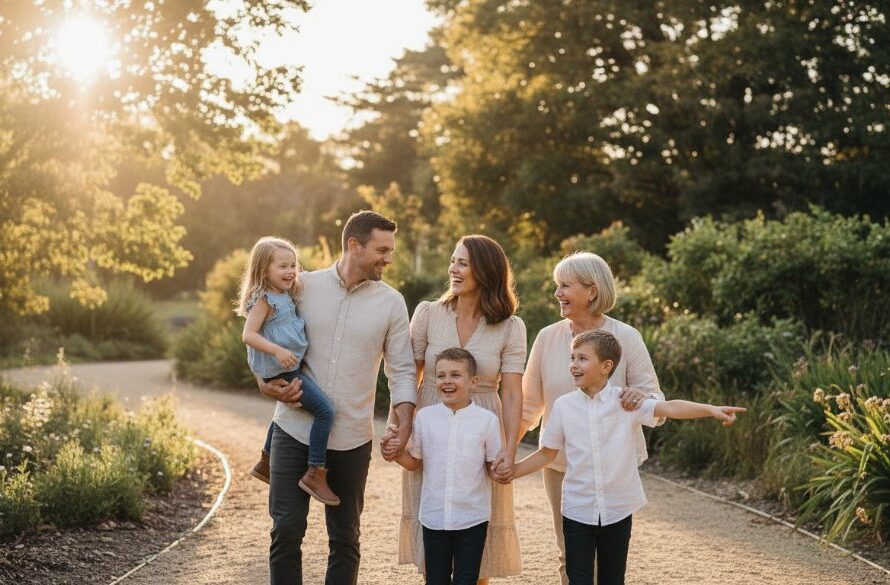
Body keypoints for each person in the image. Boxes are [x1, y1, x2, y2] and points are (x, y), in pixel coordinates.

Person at [502, 330, 745, 585]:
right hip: (576, 512)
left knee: (613, 578)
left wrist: (711, 410)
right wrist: (511, 472)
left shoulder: (626, 403)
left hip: (617, 511)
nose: (574, 365)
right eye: (572, 358)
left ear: (606, 366)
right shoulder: (563, 406)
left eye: (582, 359)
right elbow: (547, 454)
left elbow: (670, 407)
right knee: (578, 578)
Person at [257, 210, 416, 585]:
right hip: (293, 430)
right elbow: (266, 339)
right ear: (353, 245)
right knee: (285, 532)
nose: (388, 258)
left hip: (350, 440)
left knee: (345, 541)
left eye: (391, 250)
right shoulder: (301, 286)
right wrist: (263, 384)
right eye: (382, 249)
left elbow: (403, 370)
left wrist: (404, 423)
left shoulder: (392, 303)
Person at [385, 234, 526, 583]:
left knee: (478, 535)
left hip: (483, 426)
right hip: (430, 419)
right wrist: (397, 428)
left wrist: (508, 451)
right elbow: (409, 375)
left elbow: (511, 394)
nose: (453, 269)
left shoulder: (510, 326)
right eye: (453, 261)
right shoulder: (429, 314)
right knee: (432, 518)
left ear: (485, 270)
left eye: (462, 262)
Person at [520, 251, 664, 584]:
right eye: (557, 285)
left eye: (565, 286)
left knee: (609, 561)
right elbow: (529, 406)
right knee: (570, 555)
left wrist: (641, 397)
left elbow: (655, 397)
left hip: (614, 468)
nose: (557, 293)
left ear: (592, 291)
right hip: (562, 466)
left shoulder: (625, 337)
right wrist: (502, 452)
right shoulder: (547, 337)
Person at [386, 348, 502, 585]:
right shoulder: (425, 417)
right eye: (441, 376)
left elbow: (493, 466)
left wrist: (505, 470)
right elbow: (413, 462)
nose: (447, 381)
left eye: (455, 375)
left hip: (472, 518)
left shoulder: (487, 420)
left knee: (466, 580)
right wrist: (394, 453)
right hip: (434, 517)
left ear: (473, 381)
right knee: (435, 580)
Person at [238, 237, 338, 506]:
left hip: (287, 367)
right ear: (263, 270)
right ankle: (315, 471)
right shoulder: (265, 299)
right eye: (282, 266)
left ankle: (266, 461)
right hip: (278, 367)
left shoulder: (285, 293)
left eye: (293, 265)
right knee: (325, 411)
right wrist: (277, 351)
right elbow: (248, 334)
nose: (290, 271)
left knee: (286, 406)